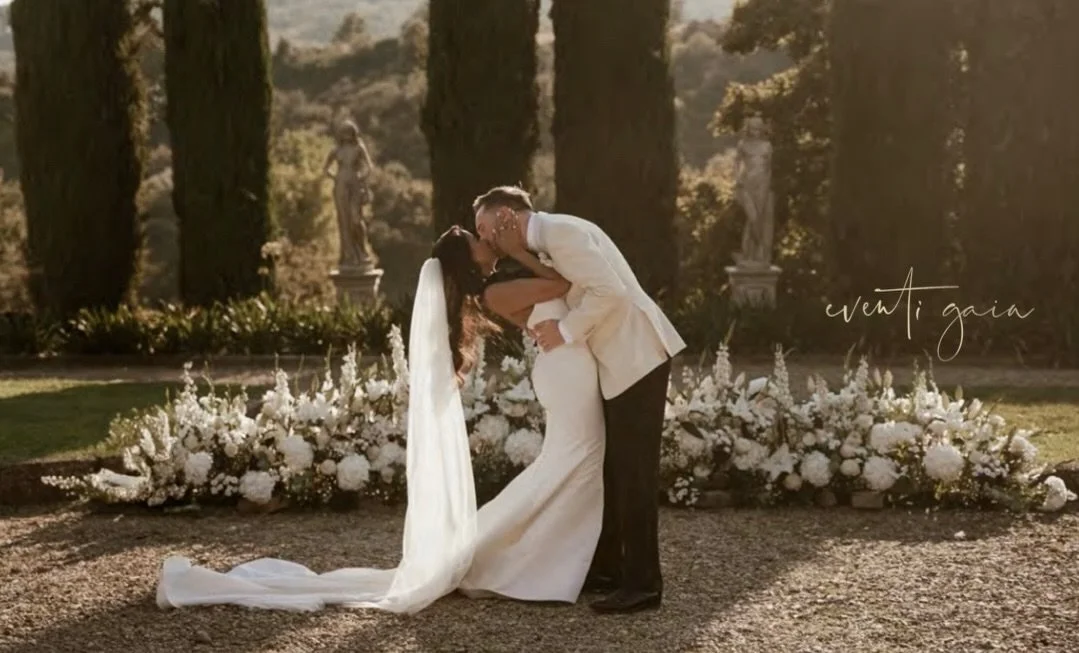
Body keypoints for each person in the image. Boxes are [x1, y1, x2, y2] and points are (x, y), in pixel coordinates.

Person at [156, 223, 607, 613]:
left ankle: (541, 558)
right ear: (467, 258)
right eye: (478, 238)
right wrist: (521, 249)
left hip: (566, 373)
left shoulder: (495, 284)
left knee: (569, 466)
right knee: (568, 464)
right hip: (564, 378)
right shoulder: (495, 290)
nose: (486, 240)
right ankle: (515, 560)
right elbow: (561, 285)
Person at [474, 186, 686, 614]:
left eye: (484, 227)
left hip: (637, 356)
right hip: (619, 363)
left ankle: (644, 584)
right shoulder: (547, 241)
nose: (485, 238)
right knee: (612, 470)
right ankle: (609, 568)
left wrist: (566, 331)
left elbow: (612, 292)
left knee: (633, 475)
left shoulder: (561, 233)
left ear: (507, 216)